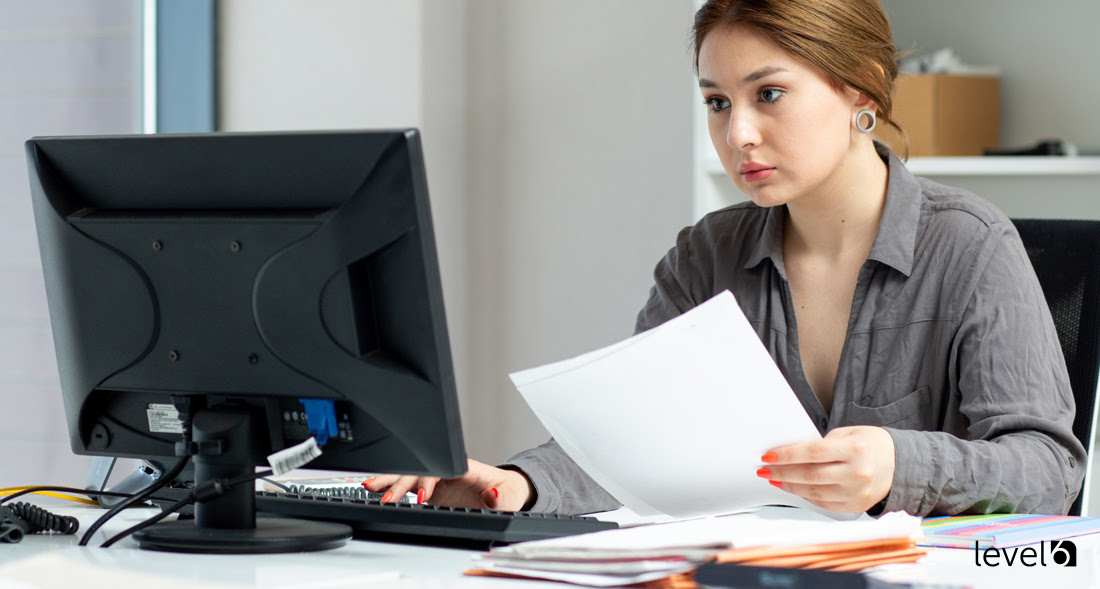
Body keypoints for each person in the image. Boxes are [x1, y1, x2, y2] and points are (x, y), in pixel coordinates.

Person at [366, 0, 1087, 517]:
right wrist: (514, 483)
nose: (738, 131)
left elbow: (1050, 473)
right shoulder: (707, 254)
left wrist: (901, 466)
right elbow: (633, 441)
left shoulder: (969, 244)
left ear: (860, 89)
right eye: (716, 101)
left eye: (768, 94)